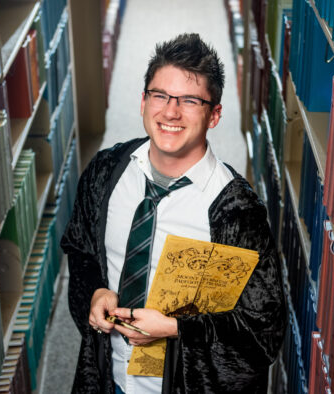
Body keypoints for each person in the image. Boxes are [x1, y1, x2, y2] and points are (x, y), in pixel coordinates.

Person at [61, 33, 287, 394]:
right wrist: (95, 292)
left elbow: (263, 328)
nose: (170, 111)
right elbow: (81, 251)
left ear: (214, 115)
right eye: (160, 95)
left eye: (189, 100)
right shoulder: (106, 173)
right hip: (111, 378)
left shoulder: (236, 212)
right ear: (142, 101)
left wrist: (176, 329)